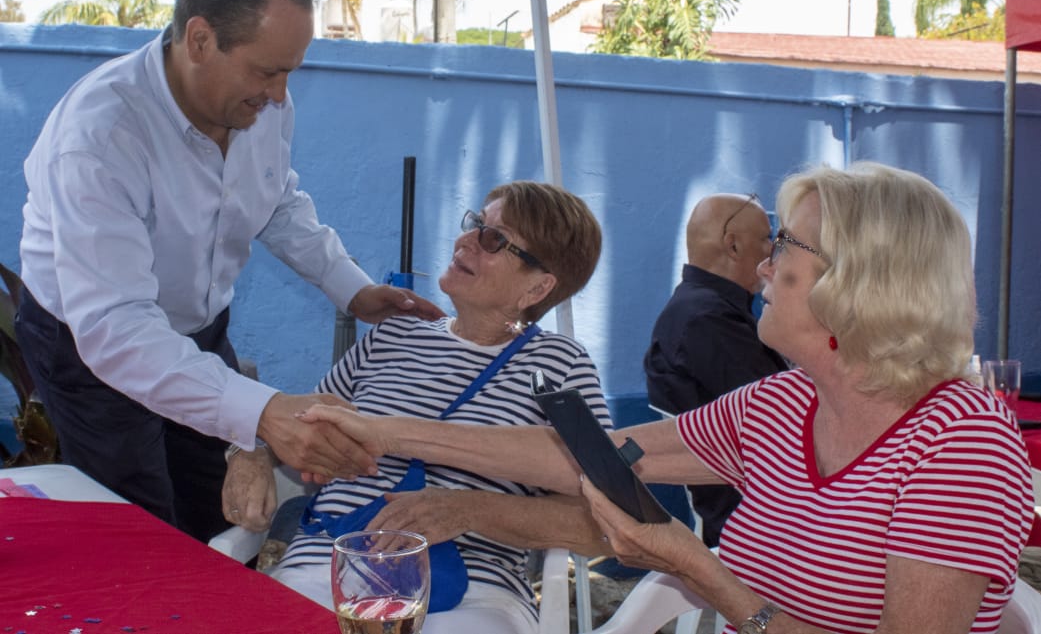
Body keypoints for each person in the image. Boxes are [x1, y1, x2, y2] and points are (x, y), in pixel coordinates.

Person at [303, 163, 1034, 634]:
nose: (764, 261)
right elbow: (580, 455)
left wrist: (699, 568)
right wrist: (380, 429)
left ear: (860, 281)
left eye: (786, 245)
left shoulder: (961, 437)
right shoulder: (782, 402)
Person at [13, 0, 441, 542]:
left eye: (290, 72)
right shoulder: (101, 137)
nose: (280, 93)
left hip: (195, 328)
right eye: (267, 71)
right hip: (89, 345)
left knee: (216, 513)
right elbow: (116, 330)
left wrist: (354, 289)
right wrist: (263, 411)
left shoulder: (260, 106)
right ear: (199, 40)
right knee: (138, 527)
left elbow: (275, 200)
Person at [224, 181, 612, 634]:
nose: (465, 240)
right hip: (326, 573)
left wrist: (470, 510)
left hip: (469, 597)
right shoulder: (394, 335)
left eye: (494, 240)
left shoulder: (559, 364)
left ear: (538, 287)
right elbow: (297, 424)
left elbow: (601, 521)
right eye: (476, 224)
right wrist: (250, 451)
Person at [644, 193, 788, 546]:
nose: (773, 252)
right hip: (757, 528)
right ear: (733, 246)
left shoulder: (701, 308)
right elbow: (785, 422)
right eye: (767, 239)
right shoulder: (706, 320)